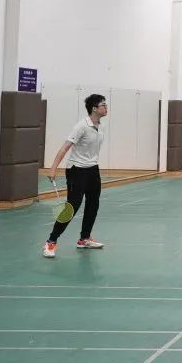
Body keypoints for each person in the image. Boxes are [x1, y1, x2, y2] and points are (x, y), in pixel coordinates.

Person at [42, 94, 108, 259]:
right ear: (94, 108)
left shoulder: (100, 126)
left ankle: (84, 238)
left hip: (93, 169)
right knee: (72, 207)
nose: (106, 107)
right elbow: (65, 147)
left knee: (93, 204)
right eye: (103, 105)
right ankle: (51, 241)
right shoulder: (81, 126)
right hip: (76, 170)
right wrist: (53, 169)